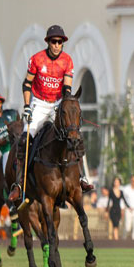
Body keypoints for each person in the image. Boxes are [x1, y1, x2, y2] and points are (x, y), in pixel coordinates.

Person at [8, 25, 93, 203]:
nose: (57, 45)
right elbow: (27, 84)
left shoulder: (67, 61)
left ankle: (82, 177)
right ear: (48, 42)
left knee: (74, 136)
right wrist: (26, 106)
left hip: (57, 104)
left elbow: (67, 88)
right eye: (54, 41)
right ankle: (18, 185)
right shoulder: (36, 59)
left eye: (60, 42)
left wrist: (67, 107)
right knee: (24, 140)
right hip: (39, 104)